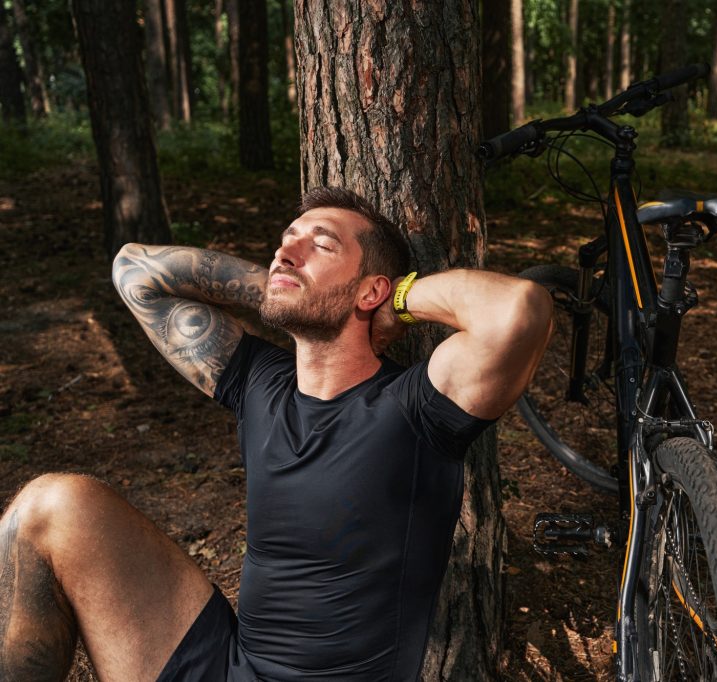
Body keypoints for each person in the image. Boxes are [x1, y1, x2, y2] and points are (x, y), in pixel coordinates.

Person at [0, 187, 553, 681]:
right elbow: (135, 272)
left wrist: (398, 302)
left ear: (370, 291)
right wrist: (281, 286)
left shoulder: (418, 407)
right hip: (229, 663)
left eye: (323, 244)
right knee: (51, 504)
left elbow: (520, 310)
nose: (288, 251)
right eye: (287, 241)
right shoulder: (259, 382)